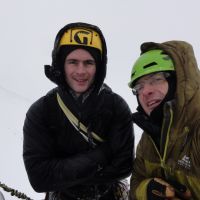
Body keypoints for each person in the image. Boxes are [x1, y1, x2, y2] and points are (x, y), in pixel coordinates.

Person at [23, 22, 134, 200]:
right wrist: (102, 155)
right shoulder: (41, 111)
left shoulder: (116, 107)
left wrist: (62, 170)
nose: (81, 71)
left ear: (99, 66)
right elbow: (39, 177)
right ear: (60, 64)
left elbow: (123, 166)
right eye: (73, 62)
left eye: (88, 62)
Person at [128, 41, 200, 199]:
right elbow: (135, 185)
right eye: (139, 87)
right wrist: (147, 190)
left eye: (155, 79)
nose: (146, 91)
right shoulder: (149, 138)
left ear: (178, 82)